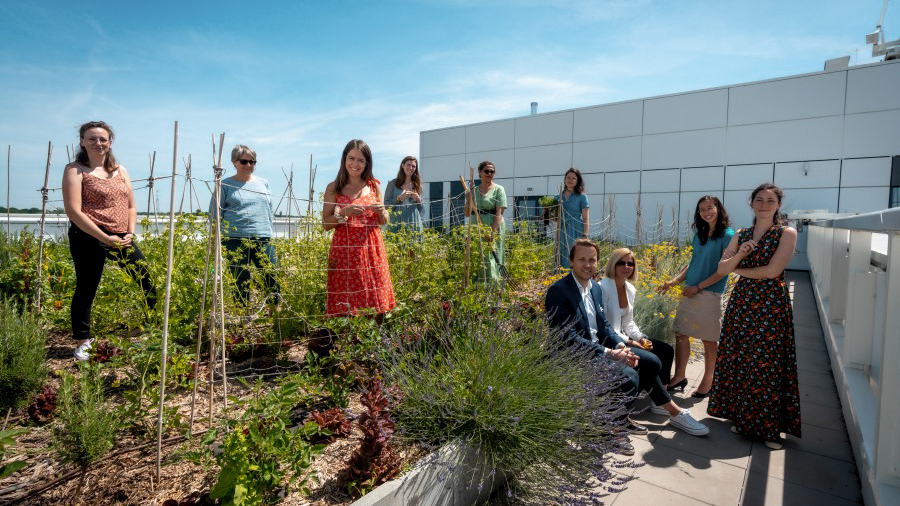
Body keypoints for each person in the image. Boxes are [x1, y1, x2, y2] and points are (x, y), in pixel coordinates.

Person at [545, 238, 709, 449]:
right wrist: (610, 353)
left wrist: (622, 347)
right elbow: (567, 338)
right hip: (574, 355)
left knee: (652, 362)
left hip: (601, 346)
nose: (587, 265)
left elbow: (604, 325)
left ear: (597, 262)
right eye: (582, 260)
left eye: (592, 260)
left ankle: (628, 416)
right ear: (571, 261)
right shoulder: (559, 291)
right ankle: (610, 429)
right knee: (628, 375)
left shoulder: (593, 288)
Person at [707, 183, 801, 450]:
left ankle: (769, 429)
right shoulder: (741, 234)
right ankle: (743, 418)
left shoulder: (786, 233)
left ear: (778, 205)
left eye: (770, 200)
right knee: (741, 358)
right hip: (743, 304)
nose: (763, 204)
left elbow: (772, 272)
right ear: (751, 203)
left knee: (767, 362)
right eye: (759, 200)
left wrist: (740, 271)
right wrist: (740, 253)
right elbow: (722, 268)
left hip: (770, 304)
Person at [62, 121, 156, 361]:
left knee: (144, 276)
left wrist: (130, 233)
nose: (98, 143)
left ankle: (155, 325)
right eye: (92, 138)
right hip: (88, 236)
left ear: (110, 142)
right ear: (82, 141)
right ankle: (84, 341)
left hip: (122, 235)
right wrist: (104, 238)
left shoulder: (120, 170)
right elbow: (74, 211)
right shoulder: (75, 170)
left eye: (103, 139)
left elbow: (131, 206)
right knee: (87, 286)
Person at [656, 196, 734, 397]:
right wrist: (674, 281)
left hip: (709, 292)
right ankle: (679, 376)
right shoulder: (699, 234)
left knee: (709, 340)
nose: (706, 212)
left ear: (719, 209)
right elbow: (693, 263)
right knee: (681, 334)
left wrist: (698, 287)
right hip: (691, 290)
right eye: (702, 209)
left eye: (710, 208)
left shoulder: (727, 235)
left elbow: (723, 270)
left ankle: (708, 382)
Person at [599, 248, 678, 414]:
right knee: (650, 360)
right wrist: (629, 341)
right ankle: (662, 401)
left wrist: (641, 338)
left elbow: (628, 322)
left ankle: (658, 400)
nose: (626, 266)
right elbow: (604, 324)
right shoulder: (602, 287)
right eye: (621, 262)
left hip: (625, 336)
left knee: (666, 350)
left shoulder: (629, 289)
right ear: (613, 263)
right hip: (609, 340)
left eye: (630, 263)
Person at [323, 139, 396, 317]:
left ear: (367, 163)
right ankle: (348, 339)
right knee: (346, 299)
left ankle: (372, 340)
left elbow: (384, 220)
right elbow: (326, 224)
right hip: (345, 249)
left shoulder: (373, 186)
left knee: (374, 294)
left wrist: (382, 212)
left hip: (372, 247)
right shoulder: (334, 188)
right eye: (351, 158)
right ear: (344, 159)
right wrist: (344, 213)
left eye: (361, 160)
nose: (355, 164)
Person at [210, 145, 280, 308]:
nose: (249, 165)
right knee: (240, 277)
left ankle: (274, 310)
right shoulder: (224, 185)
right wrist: (216, 239)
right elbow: (214, 214)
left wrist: (268, 230)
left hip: (263, 236)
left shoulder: (264, 183)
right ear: (234, 162)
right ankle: (242, 314)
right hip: (234, 239)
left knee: (270, 273)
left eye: (252, 162)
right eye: (244, 161)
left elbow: (270, 209)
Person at [463, 161, 507, 285]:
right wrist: (468, 200)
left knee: (493, 255)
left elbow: (499, 214)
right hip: (476, 227)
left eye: (492, 171)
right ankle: (479, 285)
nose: (489, 173)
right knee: (478, 254)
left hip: (494, 225)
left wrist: (492, 232)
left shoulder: (499, 190)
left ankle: (494, 285)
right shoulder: (473, 191)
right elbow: (467, 213)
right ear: (480, 173)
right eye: (486, 171)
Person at [556, 167, 590, 270]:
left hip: (576, 229)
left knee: (574, 253)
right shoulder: (557, 197)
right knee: (560, 253)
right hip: (561, 229)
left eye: (573, 178)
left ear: (578, 180)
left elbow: (585, 218)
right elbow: (555, 217)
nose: (570, 180)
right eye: (568, 177)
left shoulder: (581, 197)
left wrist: (585, 235)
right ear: (565, 179)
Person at [383, 156, 424, 235]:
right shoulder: (392, 184)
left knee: (414, 246)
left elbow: (422, 211)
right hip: (396, 226)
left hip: (414, 226)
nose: (411, 168)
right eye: (408, 165)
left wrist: (419, 200)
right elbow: (386, 206)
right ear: (403, 166)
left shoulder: (418, 186)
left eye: (413, 166)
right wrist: (399, 198)